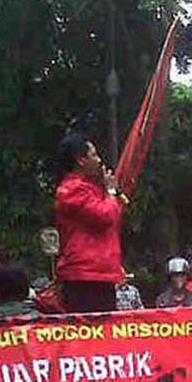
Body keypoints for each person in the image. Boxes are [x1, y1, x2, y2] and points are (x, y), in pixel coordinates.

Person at [54, 133, 124, 313]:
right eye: (94, 155)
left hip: (99, 273)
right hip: (84, 275)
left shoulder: (90, 189)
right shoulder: (72, 190)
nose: (99, 160)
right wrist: (110, 191)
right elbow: (105, 216)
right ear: (81, 160)